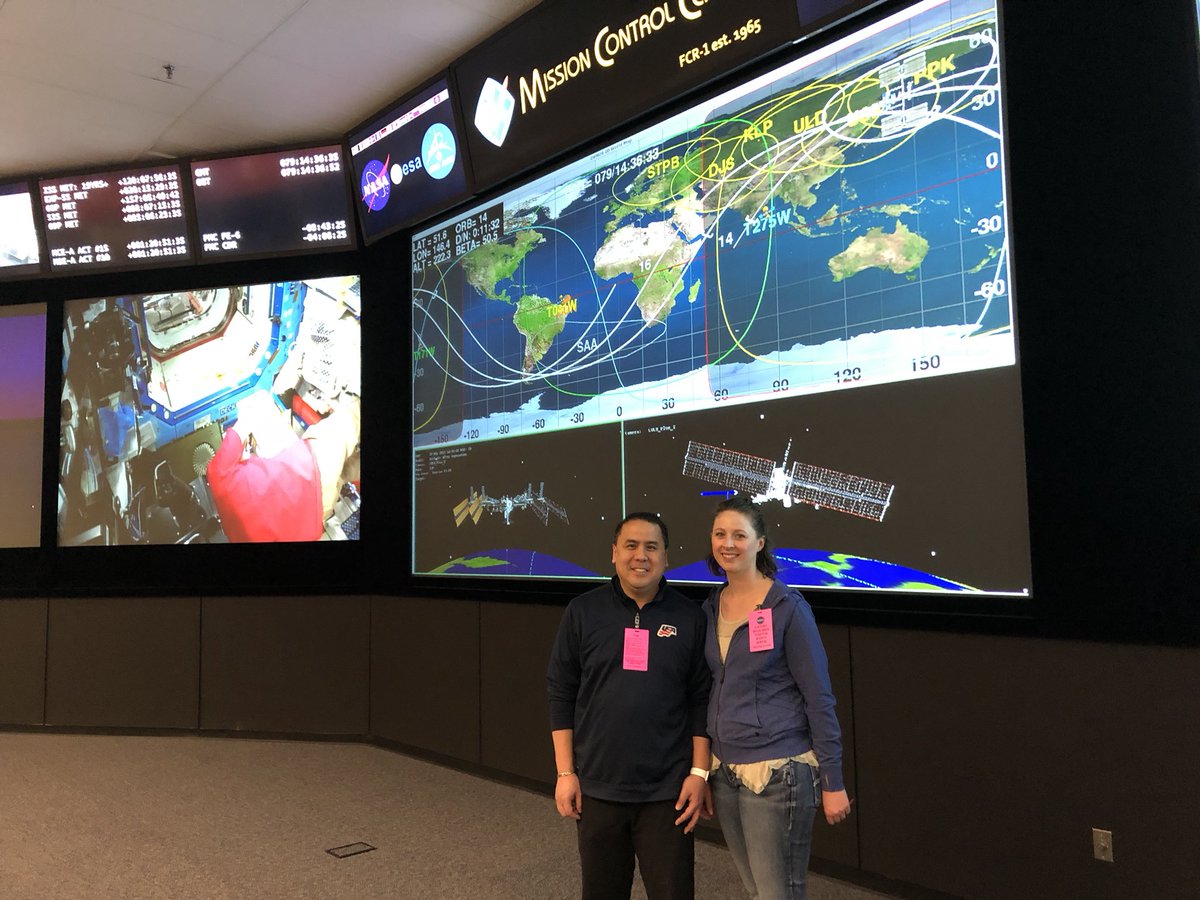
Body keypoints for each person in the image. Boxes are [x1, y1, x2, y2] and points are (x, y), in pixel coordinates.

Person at [547, 513, 712, 900]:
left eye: (652, 547)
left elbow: (701, 698)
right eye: (631, 546)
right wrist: (565, 772)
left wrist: (699, 773)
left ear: (666, 557)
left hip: (668, 793)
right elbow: (561, 692)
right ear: (614, 553)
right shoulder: (582, 612)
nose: (641, 556)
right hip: (598, 788)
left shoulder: (690, 617)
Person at [703, 496, 852, 900]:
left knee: (777, 894)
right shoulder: (711, 606)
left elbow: (819, 696)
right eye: (720, 534)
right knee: (758, 891)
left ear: (760, 543)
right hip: (725, 771)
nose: (728, 544)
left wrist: (832, 780)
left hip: (778, 771)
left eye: (739, 535)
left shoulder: (788, 607)